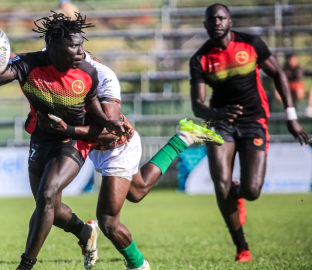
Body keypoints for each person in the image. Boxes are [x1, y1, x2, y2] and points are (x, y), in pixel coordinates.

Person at [37, 50, 224, 270]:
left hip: (117, 146)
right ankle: (182, 138)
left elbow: (110, 130)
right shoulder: (55, 58)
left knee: (108, 221)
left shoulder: (100, 75)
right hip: (97, 148)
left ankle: (138, 265)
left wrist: (67, 129)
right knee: (137, 191)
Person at [0, 12, 131, 270]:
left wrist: (110, 123)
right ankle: (84, 231)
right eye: (74, 45)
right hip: (42, 137)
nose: (81, 50)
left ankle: (25, 265)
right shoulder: (28, 64)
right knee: (49, 207)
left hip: (73, 139)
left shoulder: (88, 73)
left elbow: (96, 112)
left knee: (47, 194)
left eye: (81, 44)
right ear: (54, 46)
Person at [189, 3, 310, 262]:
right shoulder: (200, 58)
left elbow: (278, 74)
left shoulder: (252, 43)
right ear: (206, 25)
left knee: (252, 191)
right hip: (221, 122)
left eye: (222, 18)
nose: (217, 22)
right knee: (221, 186)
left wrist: (291, 116)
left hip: (254, 121)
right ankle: (241, 246)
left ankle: (239, 191)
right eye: (212, 19)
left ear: (230, 22)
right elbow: (198, 106)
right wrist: (219, 114)